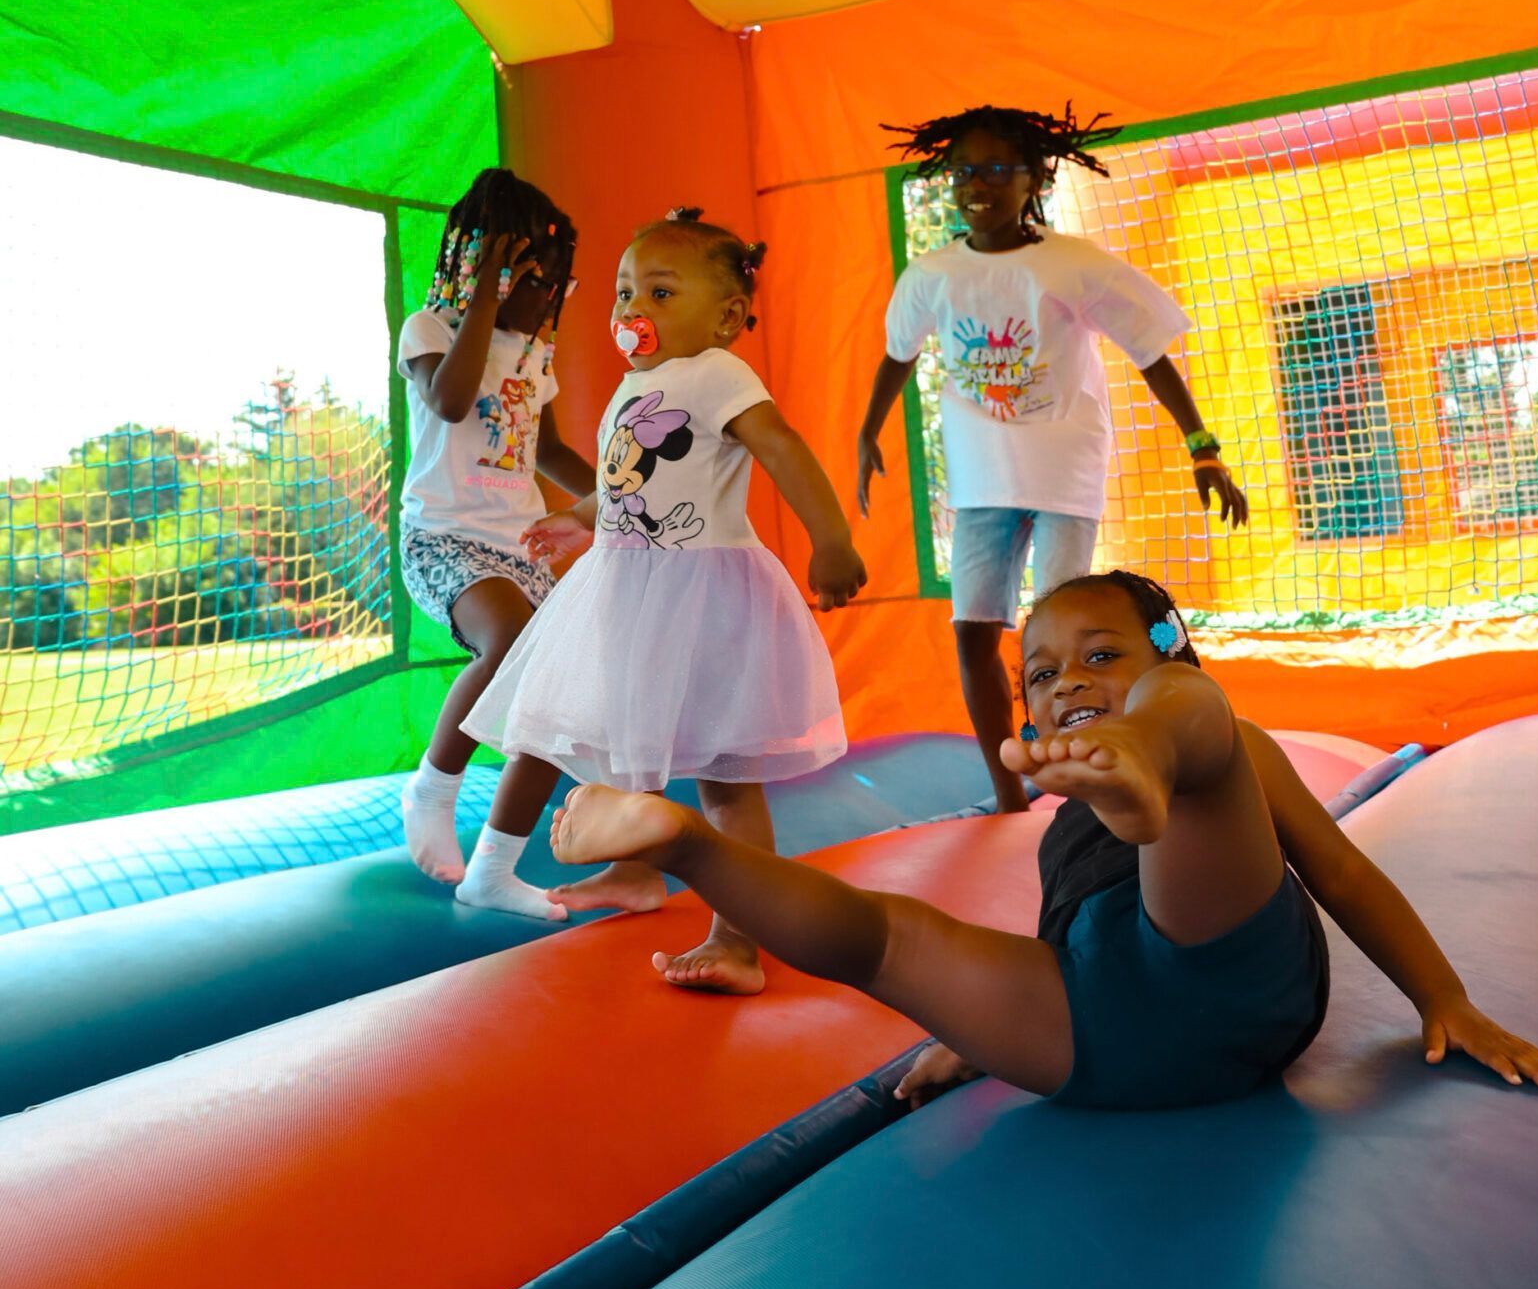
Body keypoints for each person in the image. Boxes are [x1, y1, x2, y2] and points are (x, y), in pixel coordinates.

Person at [552, 568, 1538, 1108]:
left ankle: (1154, 756)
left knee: (1203, 728)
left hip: (1223, 969)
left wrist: (1446, 996)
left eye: (1100, 656)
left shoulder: (1217, 732)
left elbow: (1335, 866)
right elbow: (1056, 952)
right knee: (890, 937)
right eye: (1040, 674)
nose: (1065, 679)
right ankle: (686, 840)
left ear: (1163, 647)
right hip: (1095, 1032)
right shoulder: (1062, 822)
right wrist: (983, 1025)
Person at [465, 206, 868, 979]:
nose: (633, 311)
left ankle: (737, 939)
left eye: (659, 293)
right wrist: (580, 519)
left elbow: (780, 447)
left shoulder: (719, 374)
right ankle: (636, 870)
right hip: (626, 588)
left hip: (703, 595)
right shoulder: (635, 385)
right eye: (624, 293)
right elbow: (627, 484)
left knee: (723, 779)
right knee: (625, 751)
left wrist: (832, 539)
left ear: (726, 316)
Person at [858, 101, 1248, 813]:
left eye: (997, 171)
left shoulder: (1069, 264)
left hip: (1062, 468)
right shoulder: (933, 274)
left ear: (1034, 177)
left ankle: (1084, 765)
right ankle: (1008, 789)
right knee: (973, 630)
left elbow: (1149, 352)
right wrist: (866, 433)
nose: (978, 186)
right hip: (982, 477)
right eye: (964, 172)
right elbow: (897, 356)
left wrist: (1202, 447)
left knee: (1064, 635)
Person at [398, 167, 626, 908]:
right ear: (488, 272)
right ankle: (433, 787)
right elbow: (452, 399)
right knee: (509, 644)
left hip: (518, 544)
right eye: (537, 281)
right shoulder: (430, 328)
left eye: (561, 284)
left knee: (559, 685)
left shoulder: (534, 354)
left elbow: (544, 450)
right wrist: (487, 299)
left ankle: (496, 867)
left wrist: (615, 491)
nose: (551, 299)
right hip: (444, 539)